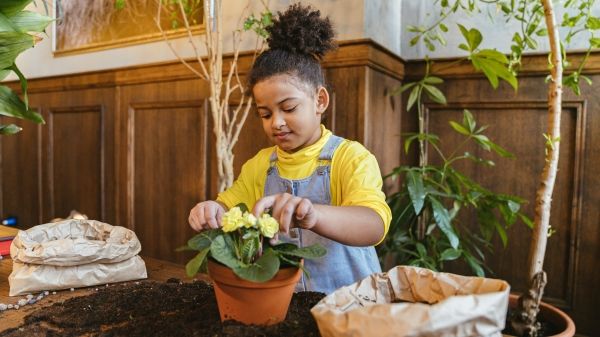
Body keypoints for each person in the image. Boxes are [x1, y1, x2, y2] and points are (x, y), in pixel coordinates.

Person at [188, 3, 391, 294]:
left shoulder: (350, 158)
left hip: (353, 305)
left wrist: (314, 215)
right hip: (286, 305)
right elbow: (228, 206)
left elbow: (374, 225)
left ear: (320, 100)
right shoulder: (260, 165)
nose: (277, 123)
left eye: (289, 108)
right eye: (265, 114)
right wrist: (211, 210)